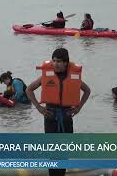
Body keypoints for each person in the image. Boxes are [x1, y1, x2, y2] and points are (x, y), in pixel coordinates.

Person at [26, 48, 91, 176]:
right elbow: (29, 90)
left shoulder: (73, 75)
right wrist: (39, 108)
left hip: (66, 117)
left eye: (59, 61)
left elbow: (87, 90)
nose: (56, 64)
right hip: (50, 117)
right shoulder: (47, 74)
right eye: (54, 61)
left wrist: (78, 107)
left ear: (66, 62)